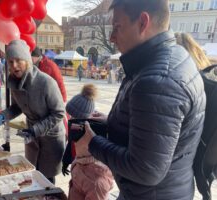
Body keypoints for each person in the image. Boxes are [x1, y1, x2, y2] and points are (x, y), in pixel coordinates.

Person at [76, 0, 206, 200]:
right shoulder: (169, 58)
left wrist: (92, 143)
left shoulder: (158, 80)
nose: (111, 37)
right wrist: (109, 123)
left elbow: (146, 169)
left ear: (143, 22)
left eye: (117, 27)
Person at [0, 40, 65, 184]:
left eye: (18, 60)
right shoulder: (13, 83)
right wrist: (4, 115)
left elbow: (58, 113)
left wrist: (35, 130)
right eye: (10, 61)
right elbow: (17, 107)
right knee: (32, 172)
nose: (14, 66)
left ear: (27, 60)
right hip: (31, 136)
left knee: (47, 179)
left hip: (50, 136)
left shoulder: (46, 83)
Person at [62, 84, 114, 200]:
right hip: (79, 166)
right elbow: (71, 144)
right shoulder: (78, 130)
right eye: (70, 116)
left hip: (88, 169)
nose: (70, 120)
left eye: (74, 117)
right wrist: (66, 161)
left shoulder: (96, 181)